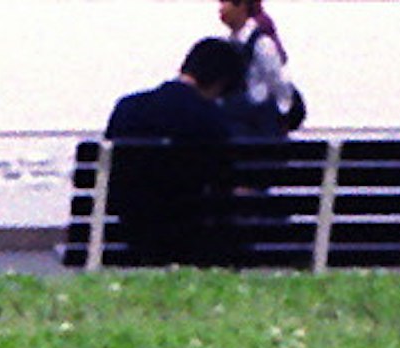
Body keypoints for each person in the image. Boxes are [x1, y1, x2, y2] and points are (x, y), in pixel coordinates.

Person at [102, 38, 249, 267]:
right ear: (220, 83)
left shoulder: (127, 108)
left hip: (131, 231)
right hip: (190, 236)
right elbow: (224, 187)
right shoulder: (213, 121)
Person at [215, 0, 307, 137]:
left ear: (242, 6)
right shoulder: (230, 42)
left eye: (224, 3)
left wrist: (279, 118)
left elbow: (279, 84)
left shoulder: (261, 44)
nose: (220, 10)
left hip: (260, 126)